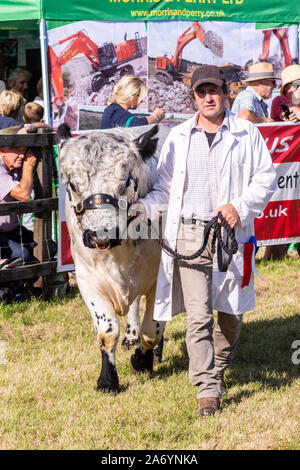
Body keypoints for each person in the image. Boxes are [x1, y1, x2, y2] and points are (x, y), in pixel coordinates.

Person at [130, 65, 276, 416]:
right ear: (193, 96)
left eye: (214, 90)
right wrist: (143, 207)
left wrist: (240, 207)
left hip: (230, 233)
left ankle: (218, 367)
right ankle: (207, 389)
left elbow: (265, 178)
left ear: (226, 92)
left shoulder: (246, 133)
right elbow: (164, 186)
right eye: (201, 91)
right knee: (198, 316)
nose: (208, 97)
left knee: (230, 314)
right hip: (189, 233)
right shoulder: (179, 137)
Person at [0, 125, 37, 269]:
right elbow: (23, 195)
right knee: (22, 256)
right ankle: (11, 289)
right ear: (2, 149)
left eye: (24, 151)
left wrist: (32, 126)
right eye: (18, 151)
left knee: (50, 247)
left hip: (13, 229)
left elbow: (45, 126)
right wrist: (28, 167)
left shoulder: (12, 165)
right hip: (1, 231)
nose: (22, 156)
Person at [101, 75, 165, 129]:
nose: (142, 101)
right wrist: (155, 116)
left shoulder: (112, 108)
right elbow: (136, 124)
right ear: (133, 98)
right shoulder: (116, 112)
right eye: (140, 97)